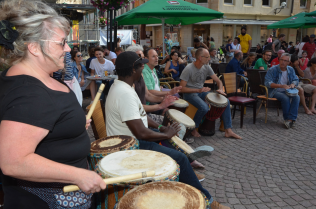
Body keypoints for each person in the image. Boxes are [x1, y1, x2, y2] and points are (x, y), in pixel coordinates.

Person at [0, 1, 106, 208]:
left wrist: (70, 125)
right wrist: (78, 175)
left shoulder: (21, 78)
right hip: (46, 200)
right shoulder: (30, 94)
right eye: (61, 43)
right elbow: (13, 161)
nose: (67, 49)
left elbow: (37, 125)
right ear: (34, 47)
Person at [105, 51, 229, 209]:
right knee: (180, 158)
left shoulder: (124, 86)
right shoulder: (124, 94)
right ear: (132, 70)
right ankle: (208, 202)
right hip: (131, 146)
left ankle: (186, 177)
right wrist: (164, 133)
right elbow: (140, 132)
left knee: (173, 147)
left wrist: (161, 127)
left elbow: (140, 115)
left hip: (133, 139)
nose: (143, 68)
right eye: (140, 65)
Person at [180, 48, 242, 139]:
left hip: (201, 92)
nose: (209, 59)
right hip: (190, 94)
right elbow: (182, 89)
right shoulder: (188, 68)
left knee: (226, 102)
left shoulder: (206, 66)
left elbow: (218, 81)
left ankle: (228, 130)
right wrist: (198, 90)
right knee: (204, 107)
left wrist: (220, 89)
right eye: (207, 57)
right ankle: (193, 128)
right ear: (200, 58)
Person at [264, 53, 300, 129]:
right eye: (281, 60)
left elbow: (296, 79)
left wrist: (293, 84)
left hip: (287, 90)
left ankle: (291, 120)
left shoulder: (290, 69)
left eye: (285, 61)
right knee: (285, 98)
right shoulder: (272, 69)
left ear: (289, 62)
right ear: (279, 60)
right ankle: (287, 119)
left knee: (297, 97)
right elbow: (267, 83)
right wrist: (281, 85)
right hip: (274, 91)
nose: (283, 62)